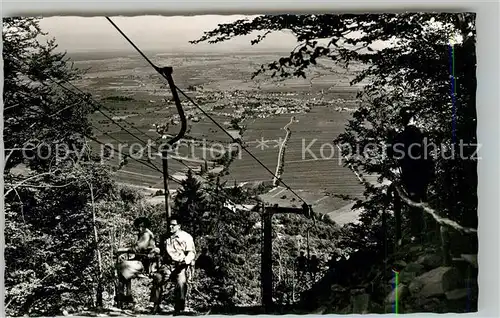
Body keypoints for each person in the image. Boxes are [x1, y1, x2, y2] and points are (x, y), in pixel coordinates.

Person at [151, 219, 196, 314]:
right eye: (169, 225)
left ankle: (178, 308)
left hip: (181, 265)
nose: (170, 227)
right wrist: (156, 250)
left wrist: (186, 261)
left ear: (179, 226)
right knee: (157, 278)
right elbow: (161, 250)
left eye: (173, 225)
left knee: (181, 283)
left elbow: (191, 252)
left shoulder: (186, 237)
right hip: (167, 265)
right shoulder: (165, 237)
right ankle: (156, 305)